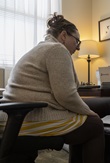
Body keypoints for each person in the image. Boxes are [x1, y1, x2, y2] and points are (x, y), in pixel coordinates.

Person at [0, 13, 104, 163]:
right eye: (77, 41)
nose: (78, 47)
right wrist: (90, 112)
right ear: (63, 35)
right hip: (25, 117)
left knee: (84, 121)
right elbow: (66, 95)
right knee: (94, 125)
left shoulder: (40, 49)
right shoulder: (56, 50)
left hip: (12, 114)